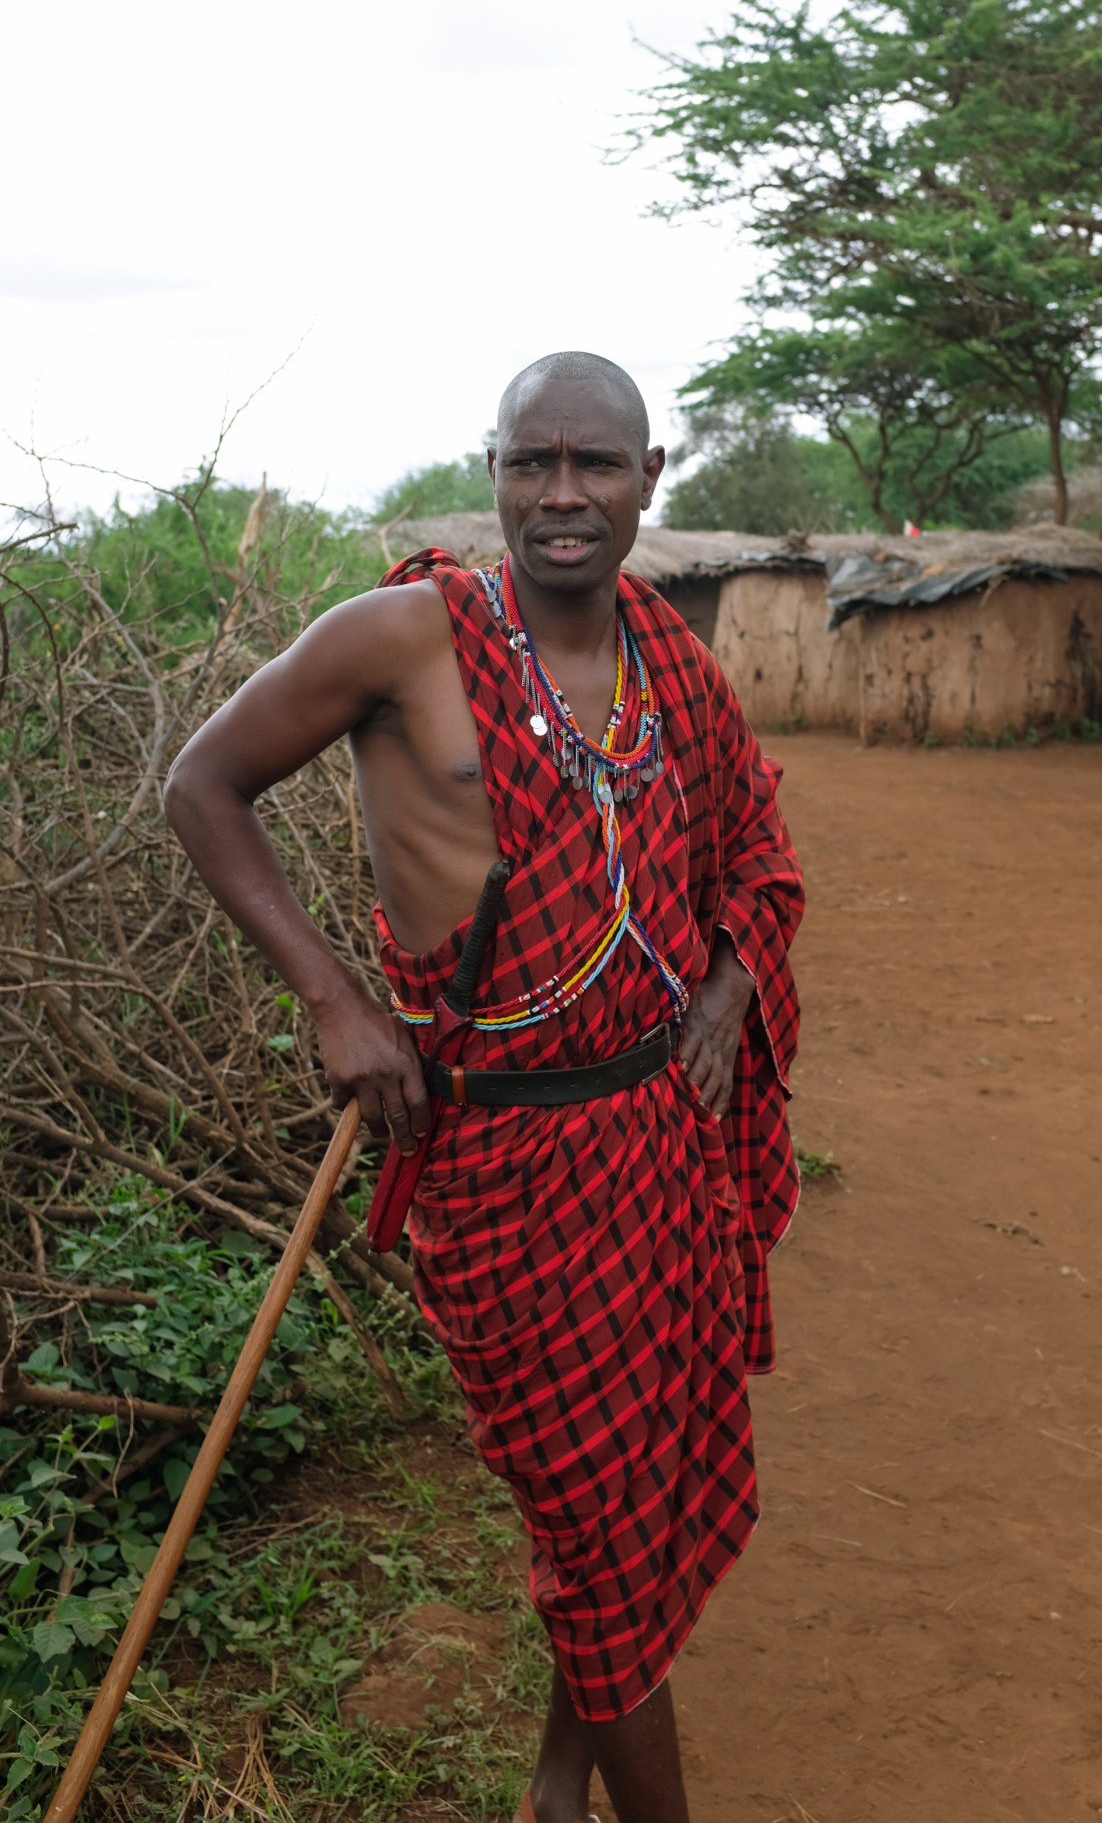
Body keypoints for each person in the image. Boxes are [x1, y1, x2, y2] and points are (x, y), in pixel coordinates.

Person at [163, 350, 803, 1823]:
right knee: (593, 1521)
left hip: (660, 1148)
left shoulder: (669, 664)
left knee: (630, 1511)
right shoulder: (400, 641)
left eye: (596, 466)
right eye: (535, 463)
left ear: (652, 479)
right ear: (496, 467)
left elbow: (757, 857)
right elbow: (203, 784)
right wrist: (334, 1001)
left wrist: (722, 990)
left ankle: (557, 1777)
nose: (563, 496)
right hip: (506, 1164)